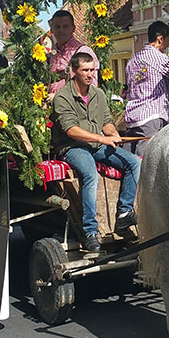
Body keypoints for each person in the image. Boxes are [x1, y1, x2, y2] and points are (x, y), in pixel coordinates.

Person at [51, 52, 141, 253]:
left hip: (96, 144)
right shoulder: (62, 97)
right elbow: (71, 130)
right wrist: (102, 138)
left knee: (134, 162)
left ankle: (124, 214)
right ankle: (90, 231)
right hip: (72, 147)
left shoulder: (98, 94)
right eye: (85, 70)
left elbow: (107, 122)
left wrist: (113, 135)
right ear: (74, 72)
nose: (90, 74)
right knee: (90, 173)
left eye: (92, 70)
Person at [123, 21, 169, 156]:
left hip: (133, 116)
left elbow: (129, 86)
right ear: (160, 39)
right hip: (151, 116)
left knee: (129, 162)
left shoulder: (133, 59)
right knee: (145, 163)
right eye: (168, 40)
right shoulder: (160, 58)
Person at [46, 10, 98, 95]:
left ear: (73, 28)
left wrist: (58, 99)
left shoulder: (83, 52)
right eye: (57, 27)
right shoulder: (52, 55)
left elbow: (91, 90)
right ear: (52, 29)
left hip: (74, 107)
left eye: (65, 27)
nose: (61, 30)